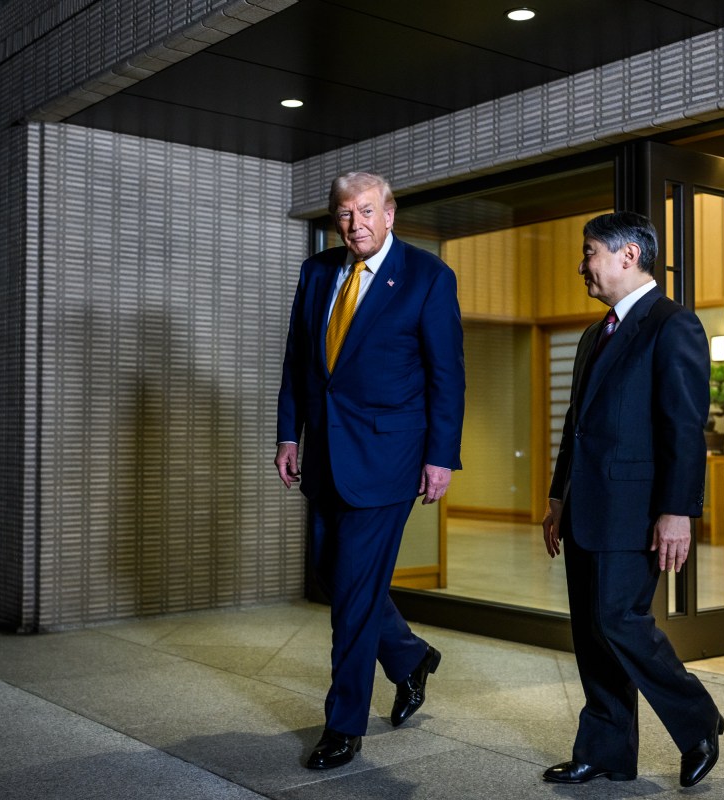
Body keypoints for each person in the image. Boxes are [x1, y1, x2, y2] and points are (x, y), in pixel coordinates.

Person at [275, 171, 465, 770]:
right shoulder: (317, 272)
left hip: (390, 458)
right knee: (335, 572)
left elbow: (447, 375)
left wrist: (441, 454)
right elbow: (299, 362)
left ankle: (343, 725)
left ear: (389, 214)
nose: (353, 224)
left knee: (353, 595)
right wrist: (288, 432)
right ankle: (409, 658)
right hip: (327, 451)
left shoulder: (428, 277)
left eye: (364, 212)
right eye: (342, 214)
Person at [541, 211, 723, 788]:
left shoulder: (673, 324)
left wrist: (678, 511)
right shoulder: (598, 332)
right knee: (591, 632)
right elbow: (577, 426)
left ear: (628, 256)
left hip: (638, 511)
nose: (582, 264)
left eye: (590, 251)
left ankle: (698, 720)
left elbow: (683, 428)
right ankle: (607, 749)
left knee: (620, 621)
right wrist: (556, 497)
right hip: (585, 508)